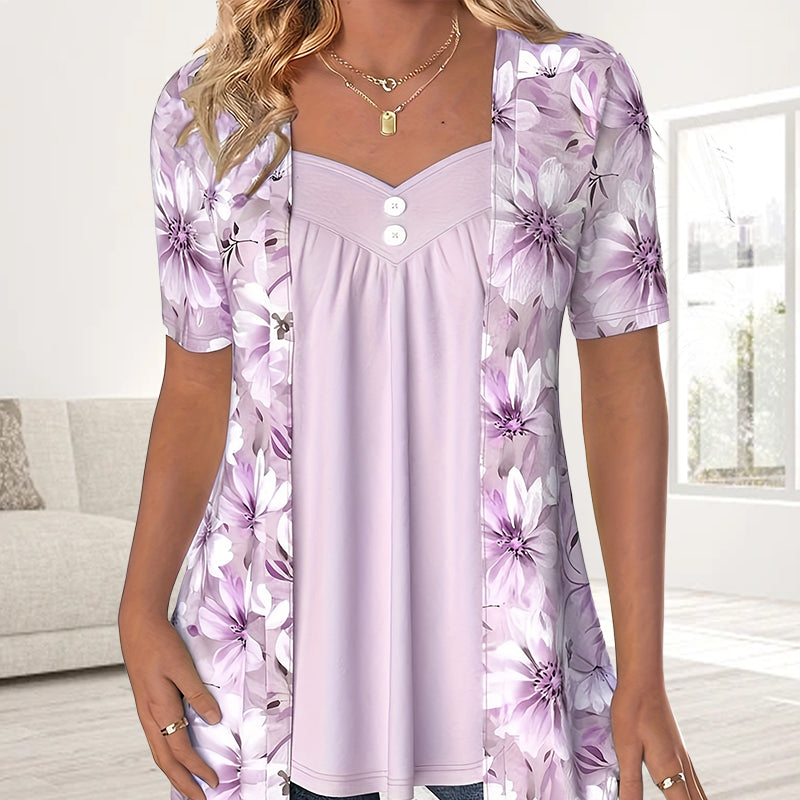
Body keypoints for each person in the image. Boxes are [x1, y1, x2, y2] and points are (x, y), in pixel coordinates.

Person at [118, 2, 710, 800]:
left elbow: (624, 383)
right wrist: (139, 609)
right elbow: (195, 385)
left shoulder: (576, 89)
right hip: (262, 673)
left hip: (519, 677)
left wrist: (643, 674)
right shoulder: (210, 108)